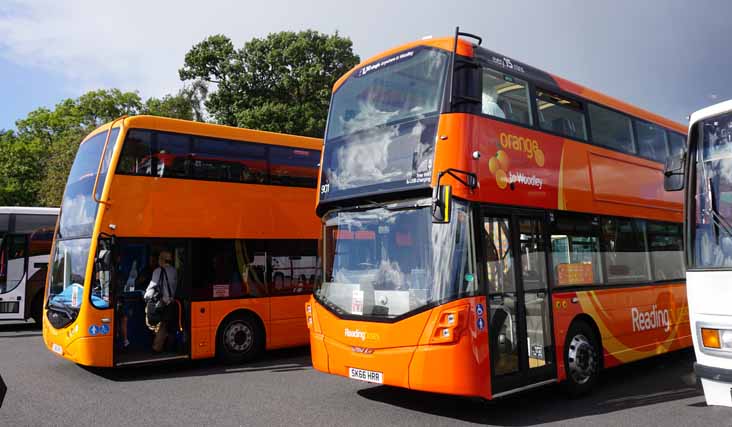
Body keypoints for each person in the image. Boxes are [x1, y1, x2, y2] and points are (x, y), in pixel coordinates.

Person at [144, 250, 178, 352]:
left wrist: (146, 296)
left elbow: (152, 287)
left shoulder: (158, 271)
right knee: (167, 324)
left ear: (161, 260)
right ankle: (170, 346)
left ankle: (157, 347)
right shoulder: (174, 271)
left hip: (161, 303)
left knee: (156, 324)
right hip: (171, 302)